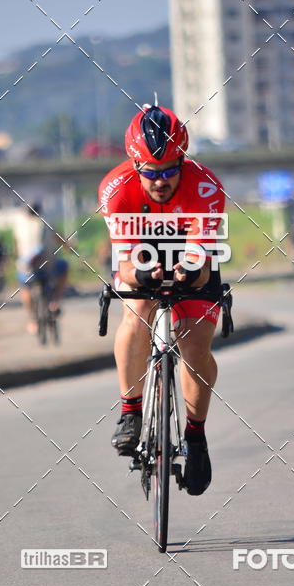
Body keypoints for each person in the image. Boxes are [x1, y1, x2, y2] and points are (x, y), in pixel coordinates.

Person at [98, 104, 226, 496]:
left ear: (183, 161)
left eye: (171, 170)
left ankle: (197, 436)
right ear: (134, 164)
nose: (161, 181)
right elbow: (127, 259)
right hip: (141, 250)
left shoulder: (206, 186)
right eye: (151, 173)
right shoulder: (116, 189)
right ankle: (131, 411)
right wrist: (143, 273)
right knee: (136, 312)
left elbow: (201, 259)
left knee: (194, 342)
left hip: (191, 249)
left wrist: (189, 272)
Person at [12, 203, 69, 335]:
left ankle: (32, 319)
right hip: (50, 266)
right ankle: (55, 301)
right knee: (64, 267)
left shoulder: (19, 225)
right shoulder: (47, 222)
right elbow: (60, 240)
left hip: (27, 268)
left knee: (25, 288)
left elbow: (15, 246)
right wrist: (69, 247)